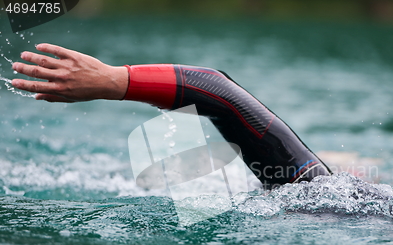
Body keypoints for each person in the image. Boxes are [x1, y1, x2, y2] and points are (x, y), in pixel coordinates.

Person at [12, 43, 331, 188]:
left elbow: (221, 94)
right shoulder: (334, 200)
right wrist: (112, 80)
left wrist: (112, 80)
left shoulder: (333, 203)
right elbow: (221, 94)